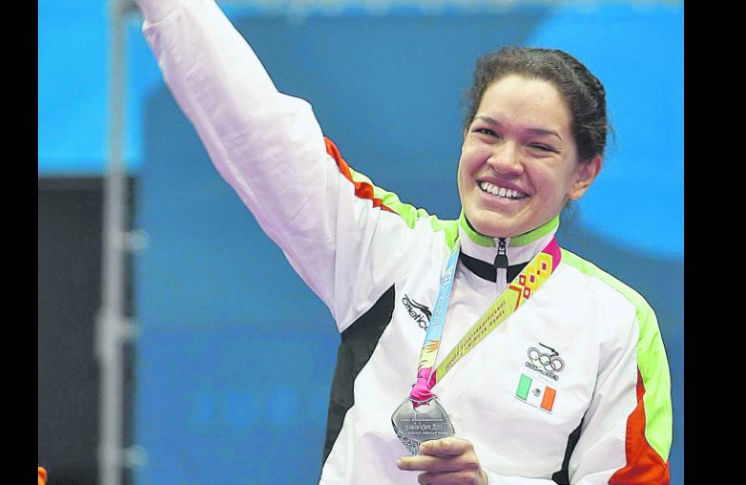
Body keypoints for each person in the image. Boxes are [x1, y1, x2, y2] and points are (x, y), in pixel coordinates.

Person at [134, 0, 673, 483]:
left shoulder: (616, 322)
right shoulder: (388, 249)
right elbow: (259, 129)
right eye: (488, 132)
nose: (505, 162)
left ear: (584, 173)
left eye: (539, 147)